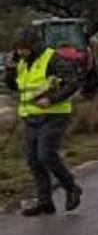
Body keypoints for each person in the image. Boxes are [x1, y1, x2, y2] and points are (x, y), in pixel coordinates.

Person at [4, 28, 82, 216]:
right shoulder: (21, 62)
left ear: (33, 46)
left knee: (46, 154)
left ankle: (71, 188)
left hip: (54, 114)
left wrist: (51, 100)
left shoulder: (52, 58)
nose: (21, 52)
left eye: (24, 48)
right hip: (31, 117)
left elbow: (72, 83)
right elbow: (13, 85)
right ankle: (45, 202)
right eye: (18, 49)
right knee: (33, 160)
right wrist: (10, 69)